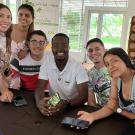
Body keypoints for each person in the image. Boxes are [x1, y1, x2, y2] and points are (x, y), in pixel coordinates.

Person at [35, 33, 88, 116]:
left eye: (64, 45)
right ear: (52, 48)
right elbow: (39, 88)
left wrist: (66, 103)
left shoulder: (78, 66)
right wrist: (40, 103)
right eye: (56, 45)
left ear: (69, 48)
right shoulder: (46, 64)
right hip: (54, 102)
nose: (60, 49)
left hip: (73, 103)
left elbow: (84, 96)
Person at [77, 47, 135, 124]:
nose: (111, 66)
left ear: (125, 60)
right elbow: (111, 106)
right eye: (107, 64)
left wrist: (119, 110)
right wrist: (92, 116)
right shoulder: (116, 79)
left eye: (115, 61)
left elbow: (115, 108)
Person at [0, 30, 48, 102]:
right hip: (27, 94)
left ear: (46, 44)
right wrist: (5, 92)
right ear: (28, 43)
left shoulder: (51, 59)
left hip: (46, 94)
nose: (38, 45)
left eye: (41, 42)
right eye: (34, 42)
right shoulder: (19, 59)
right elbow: (6, 80)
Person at [86, 38, 111, 107]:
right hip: (102, 110)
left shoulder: (114, 68)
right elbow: (91, 101)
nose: (93, 53)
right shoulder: (90, 74)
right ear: (87, 54)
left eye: (97, 49)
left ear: (105, 50)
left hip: (121, 111)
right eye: (90, 51)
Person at [0, 3, 13, 102]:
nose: (6, 20)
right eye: (1, 16)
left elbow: (4, 68)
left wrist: (5, 89)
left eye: (9, 17)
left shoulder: (6, 38)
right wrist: (4, 90)